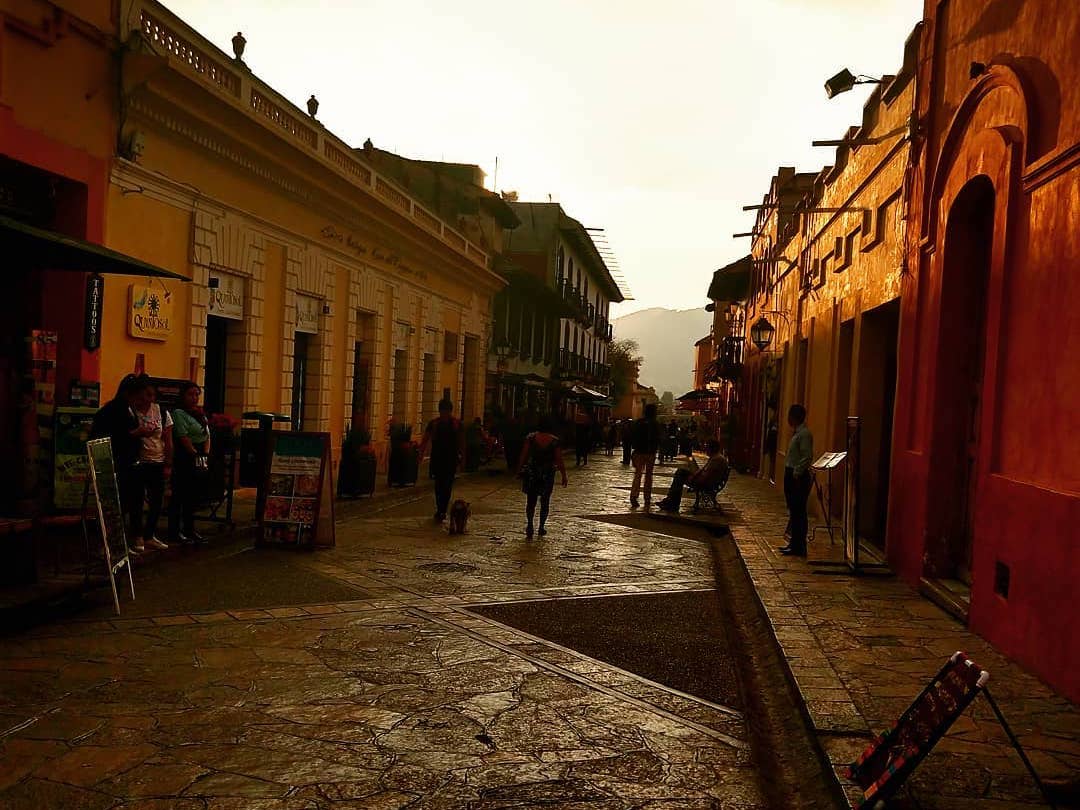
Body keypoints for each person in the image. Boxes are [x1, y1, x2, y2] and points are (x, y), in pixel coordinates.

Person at [91, 374, 144, 547]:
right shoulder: (113, 410)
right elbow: (109, 436)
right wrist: (134, 434)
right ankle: (111, 544)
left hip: (129, 462)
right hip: (117, 463)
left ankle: (124, 541)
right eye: (138, 395)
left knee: (130, 503)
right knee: (117, 505)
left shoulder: (129, 409)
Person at [130, 376, 172, 552]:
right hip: (139, 461)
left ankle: (150, 534)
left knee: (157, 500)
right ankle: (137, 535)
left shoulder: (161, 412)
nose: (149, 399)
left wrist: (168, 463)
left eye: (151, 395)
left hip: (157, 459)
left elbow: (168, 439)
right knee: (137, 500)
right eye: (146, 394)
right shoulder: (132, 411)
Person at [169, 381, 210, 544]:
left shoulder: (199, 413)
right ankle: (175, 530)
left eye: (196, 394)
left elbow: (206, 433)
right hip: (185, 457)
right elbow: (182, 436)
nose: (194, 398)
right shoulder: (179, 413)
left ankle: (190, 528)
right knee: (179, 494)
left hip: (200, 455)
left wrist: (205, 453)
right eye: (190, 394)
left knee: (192, 495)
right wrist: (194, 452)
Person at [516, 416, 568, 538]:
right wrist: (564, 475)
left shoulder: (531, 438)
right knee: (545, 501)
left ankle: (529, 524)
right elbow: (559, 459)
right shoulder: (555, 441)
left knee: (531, 501)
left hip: (532, 472)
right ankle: (541, 527)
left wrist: (518, 470)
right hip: (547, 473)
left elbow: (523, 455)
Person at [420, 398, 463, 522]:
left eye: (446, 411)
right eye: (443, 411)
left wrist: (462, 456)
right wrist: (421, 454)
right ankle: (441, 509)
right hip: (440, 459)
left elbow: (461, 441)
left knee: (446, 485)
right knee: (440, 485)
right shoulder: (435, 424)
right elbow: (425, 439)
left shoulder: (455, 424)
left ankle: (442, 509)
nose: (444, 414)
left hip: (448, 459)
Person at [779, 403, 814, 557]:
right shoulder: (797, 433)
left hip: (797, 477)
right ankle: (794, 544)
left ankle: (799, 546)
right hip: (792, 474)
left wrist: (796, 473)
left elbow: (807, 456)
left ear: (794, 417)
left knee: (799, 512)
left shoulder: (804, 434)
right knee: (794, 512)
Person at [657, 440, 729, 513]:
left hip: (705, 483)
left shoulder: (716, 459)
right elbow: (703, 470)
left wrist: (693, 478)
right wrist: (695, 475)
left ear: (711, 448)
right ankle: (670, 501)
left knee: (679, 476)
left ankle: (671, 502)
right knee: (681, 472)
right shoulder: (716, 458)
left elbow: (705, 476)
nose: (705, 449)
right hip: (706, 480)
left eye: (706, 447)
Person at [629, 403, 661, 509]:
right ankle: (647, 497)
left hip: (639, 452)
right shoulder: (655, 424)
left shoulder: (638, 423)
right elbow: (659, 438)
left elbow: (633, 436)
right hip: (650, 452)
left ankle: (634, 496)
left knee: (638, 474)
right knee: (648, 476)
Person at [763, 413, 779, 484]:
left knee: (772, 461)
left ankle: (771, 476)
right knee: (772, 461)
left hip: (772, 446)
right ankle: (771, 476)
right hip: (773, 446)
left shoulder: (771, 430)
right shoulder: (773, 431)